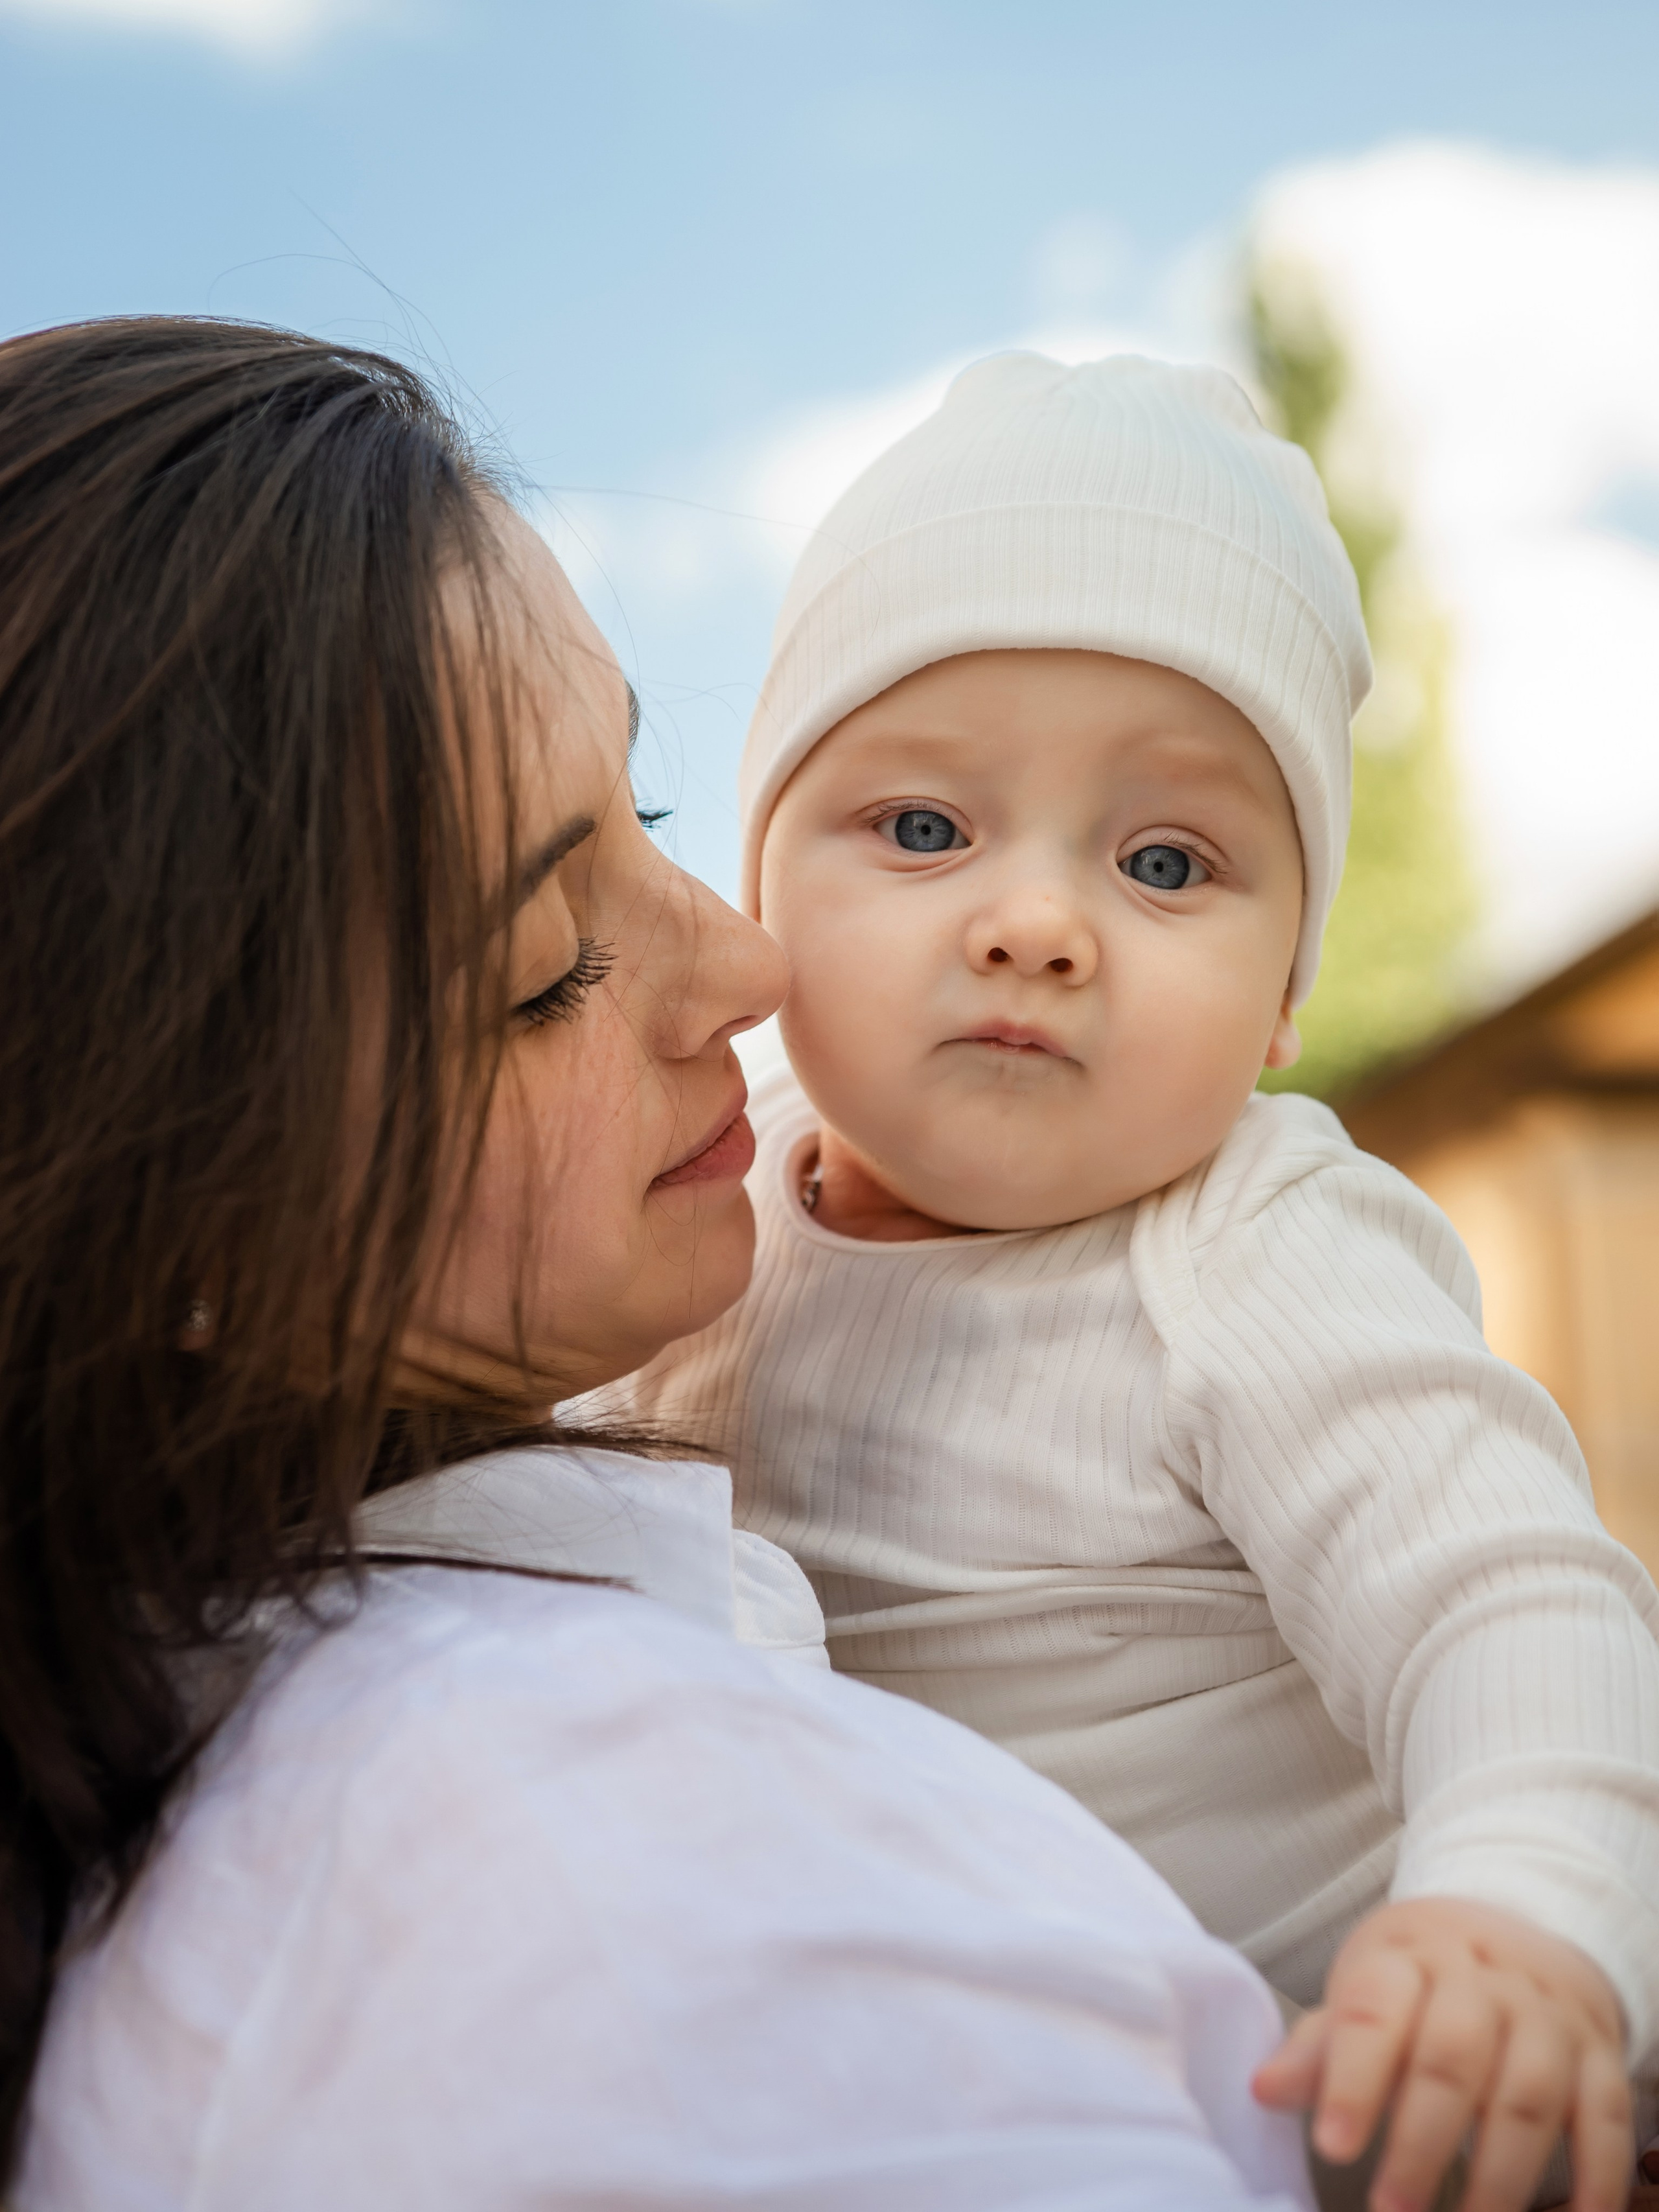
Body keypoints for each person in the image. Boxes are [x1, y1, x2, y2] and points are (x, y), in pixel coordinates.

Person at [0, 317, 1317, 2209]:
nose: (748, 967)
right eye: (546, 970)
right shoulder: (625, 1891)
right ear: (168, 1220)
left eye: (657, 816)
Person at [586, 353, 1659, 2212]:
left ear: (1285, 999)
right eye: (924, 828)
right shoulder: (704, 1182)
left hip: (1361, 2091)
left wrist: (1523, 1919)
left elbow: (1513, 1607)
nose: (1036, 924)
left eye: (1167, 861)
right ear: (761, 887)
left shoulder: (1256, 1244)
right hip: (946, 2101)